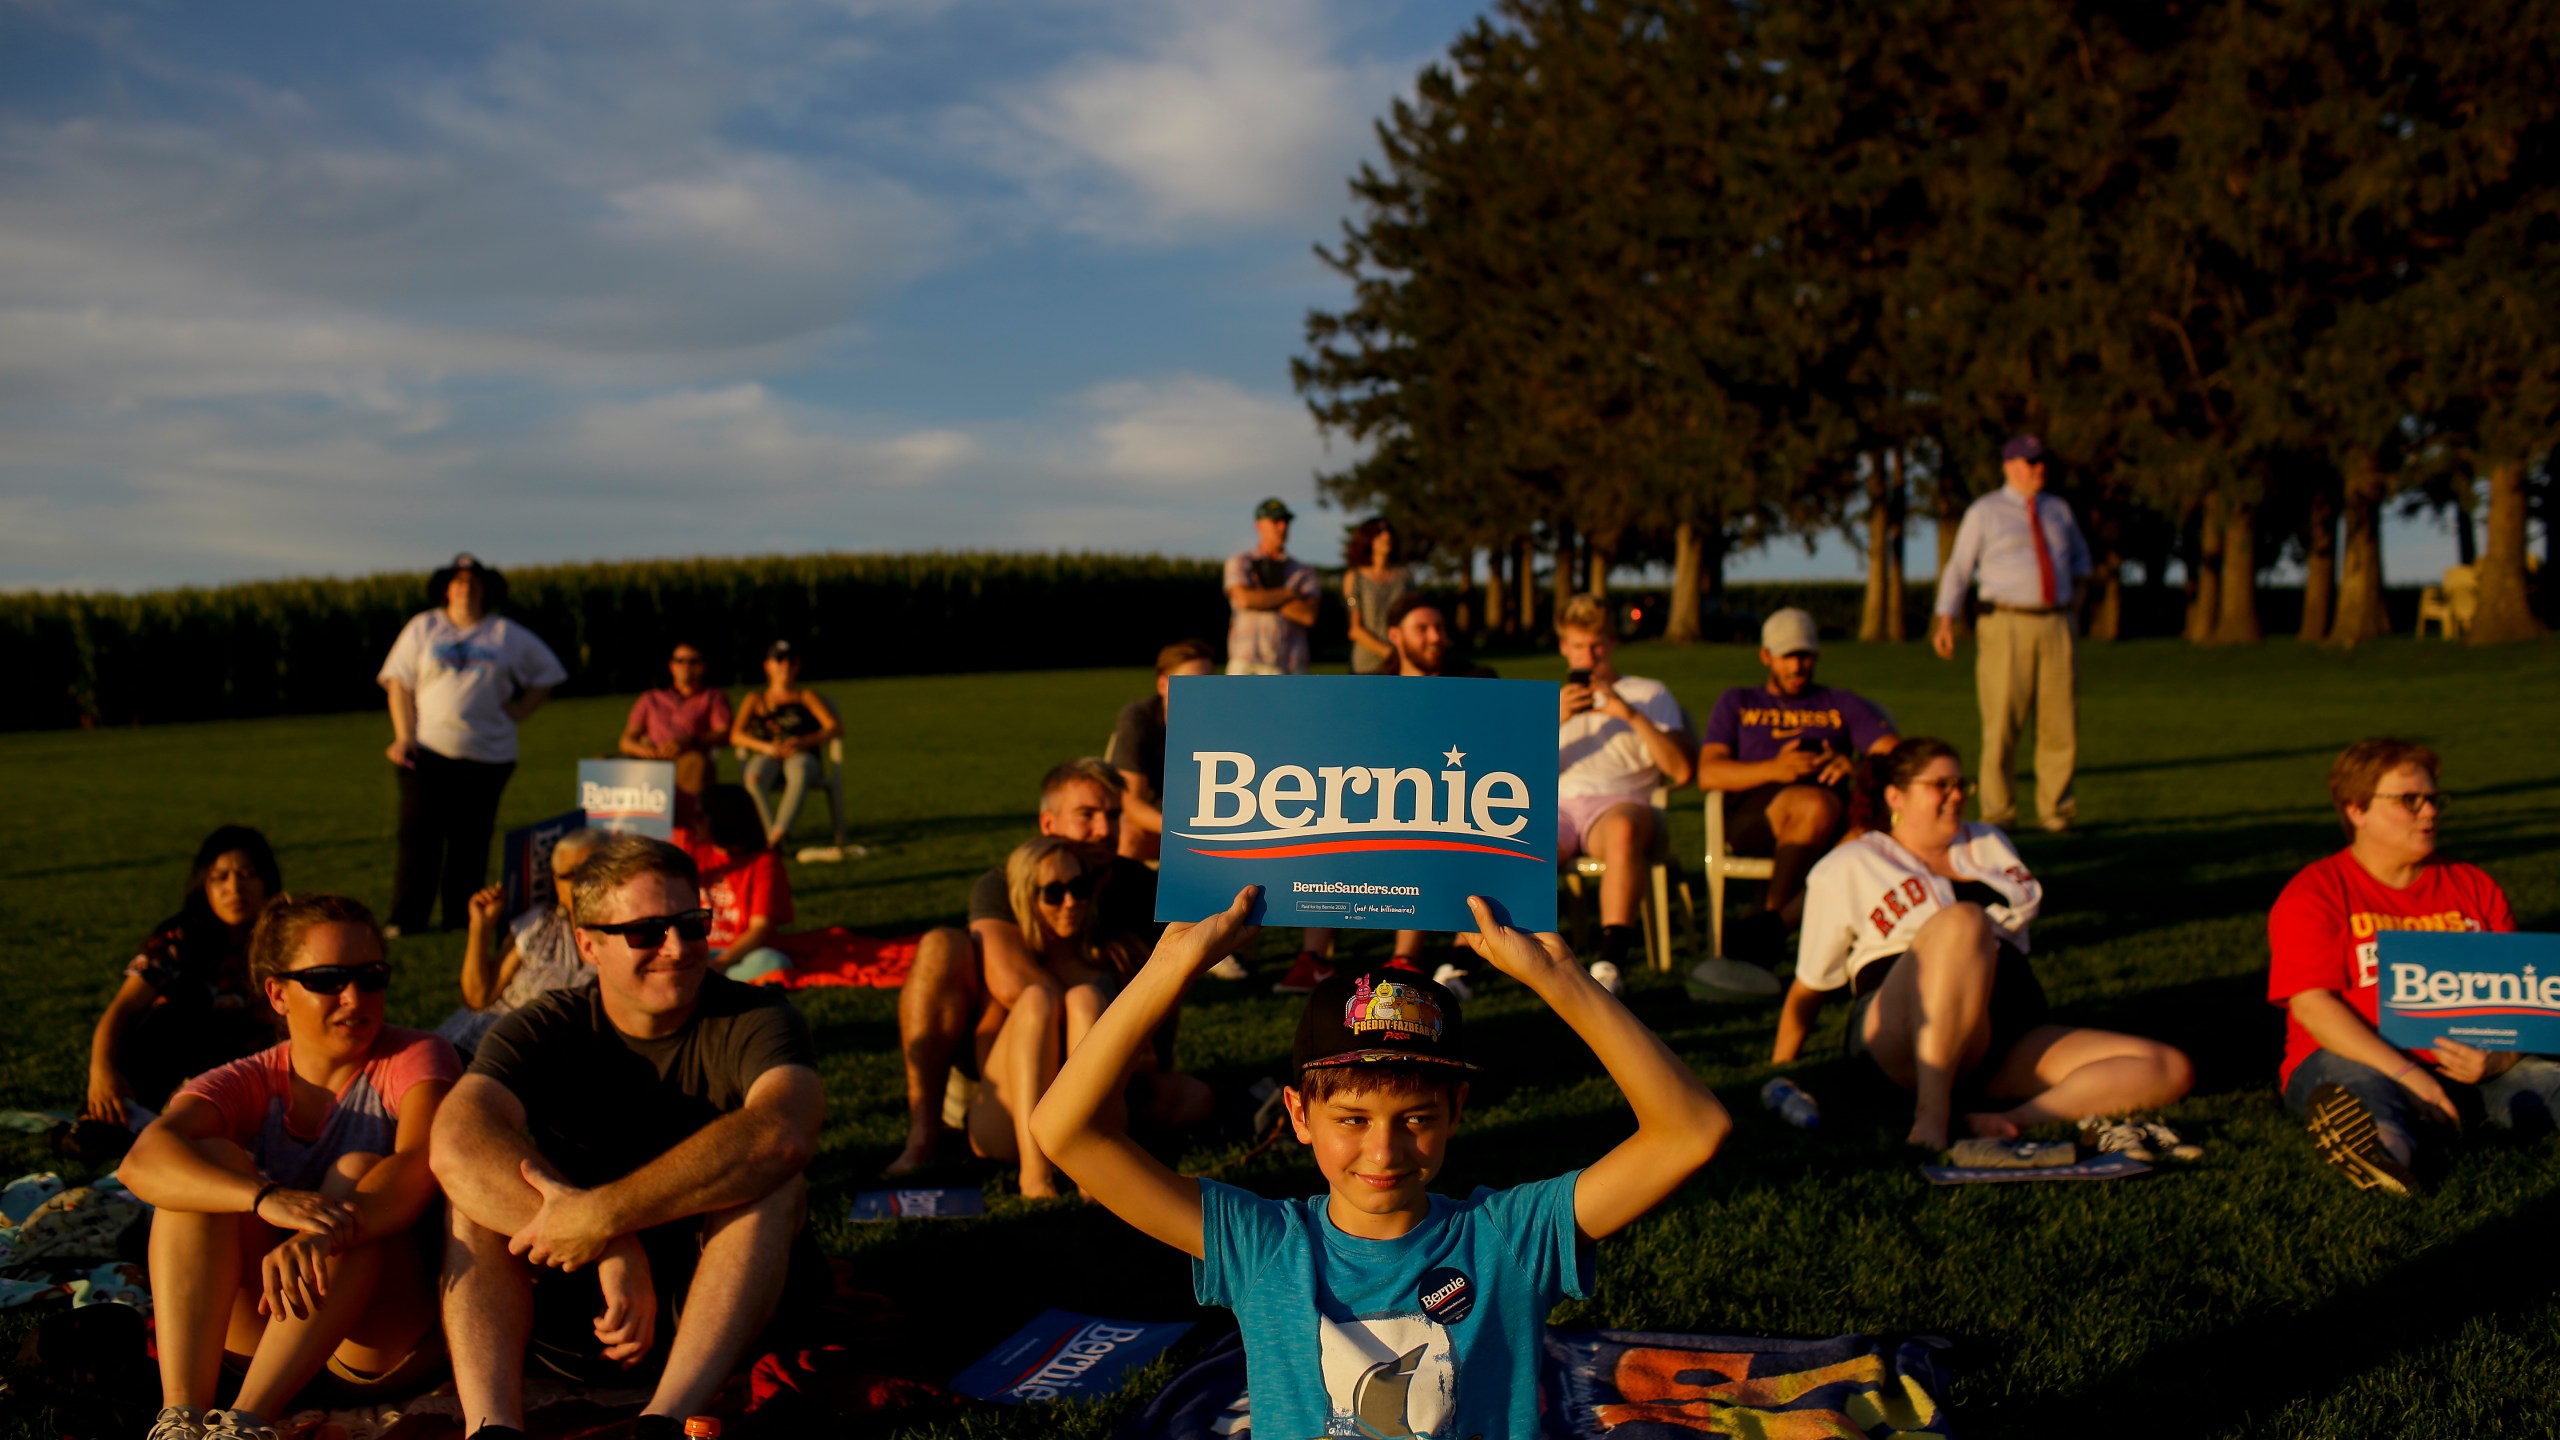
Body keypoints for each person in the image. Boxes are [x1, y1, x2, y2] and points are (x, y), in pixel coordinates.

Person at [1029, 890, 1731, 1440]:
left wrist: (1564, 980)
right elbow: (1066, 1132)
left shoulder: (1509, 1240)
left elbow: (1692, 1131)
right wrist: (1167, 968)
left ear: (1457, 1111)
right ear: (1299, 1116)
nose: (1384, 1152)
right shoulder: (1263, 1246)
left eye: (1416, 1120)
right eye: (1352, 1120)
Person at [432, 834, 825, 1440]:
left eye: (692, 924)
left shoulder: (757, 1018)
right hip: (580, 1301)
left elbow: (783, 1133)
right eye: (646, 932)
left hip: (720, 1308)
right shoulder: (544, 1024)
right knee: (471, 1195)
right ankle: (493, 1428)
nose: (678, 947)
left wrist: (606, 1214)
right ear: (588, 943)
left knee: (775, 1186)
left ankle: (662, 1423)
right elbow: (456, 1140)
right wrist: (612, 1244)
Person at [124, 894, 458, 1440]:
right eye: (328, 979)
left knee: (356, 1170)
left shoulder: (417, 1055)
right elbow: (142, 1162)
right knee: (207, 1166)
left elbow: (421, 1162)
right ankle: (182, 1419)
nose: (355, 997)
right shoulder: (248, 1078)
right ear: (277, 993)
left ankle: (247, 1423)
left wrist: (323, 1232)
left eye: (372, 976)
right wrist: (262, 1198)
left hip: (376, 1344)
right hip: (264, 1329)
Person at [1775, 737, 2191, 1150]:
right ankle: (1930, 1120)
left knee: (2167, 1068)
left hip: (1999, 1034)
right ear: (1895, 796)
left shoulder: (1987, 842)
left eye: (1961, 784)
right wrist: (1779, 1067)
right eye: (1940, 785)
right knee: (1964, 920)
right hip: (1897, 1034)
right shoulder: (1850, 864)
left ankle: (2005, 1120)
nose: (1956, 795)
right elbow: (1809, 984)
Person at [887, 759, 1203, 1179]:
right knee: (944, 948)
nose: (1104, 830)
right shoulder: (1005, 884)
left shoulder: (1139, 889)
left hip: (1101, 1069)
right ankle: (926, 1132)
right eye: (1086, 816)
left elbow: (1164, 990)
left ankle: (1094, 1145)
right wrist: (1095, 1000)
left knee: (1195, 1098)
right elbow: (1013, 984)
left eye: (1112, 815)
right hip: (1005, 1072)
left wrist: (1151, 1058)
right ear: (1049, 823)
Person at [2268, 739, 2557, 1196]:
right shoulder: (2316, 892)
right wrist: (2408, 1075)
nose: (2429, 812)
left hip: (2469, 1064)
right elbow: (2313, 1008)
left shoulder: (2474, 886)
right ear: (2356, 809)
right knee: (2359, 1091)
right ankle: (2388, 1158)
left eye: (2433, 799)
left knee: (2543, 1084)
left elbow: (2520, 997)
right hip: (2354, 1058)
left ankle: (2421, 1128)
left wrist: (2501, 1058)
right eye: (2409, 800)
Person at [963, 836, 1210, 1198]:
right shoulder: (1015, 967)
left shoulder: (1114, 958)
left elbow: (1151, 1059)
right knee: (1036, 999)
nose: (1070, 903)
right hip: (1011, 1123)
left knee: (1084, 998)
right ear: (1024, 897)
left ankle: (1087, 1174)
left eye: (1080, 888)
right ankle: (1035, 1176)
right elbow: (986, 1062)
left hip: (1094, 1119)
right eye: (1053, 893)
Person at [1696, 608, 1900, 971]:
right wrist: (1775, 768)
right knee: (1813, 805)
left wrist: (1853, 766)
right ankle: (1773, 929)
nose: (1797, 667)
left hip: (1835, 819)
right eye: (1787, 657)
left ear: (1817, 655)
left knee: (1874, 833)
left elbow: (1898, 755)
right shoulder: (1739, 702)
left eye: (1804, 656)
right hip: (1757, 815)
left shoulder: (1839, 703)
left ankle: (1771, 927)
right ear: (1766, 657)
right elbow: (1708, 773)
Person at [380, 553, 567, 935]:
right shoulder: (424, 627)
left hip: (488, 754)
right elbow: (399, 682)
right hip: (428, 750)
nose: (466, 589)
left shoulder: (504, 634)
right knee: (420, 838)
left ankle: (462, 916)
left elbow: (549, 672)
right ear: (446, 589)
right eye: (459, 582)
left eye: (474, 583)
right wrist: (404, 736)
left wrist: (521, 709)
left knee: (472, 840)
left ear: (485, 591)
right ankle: (407, 918)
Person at [1930, 435, 2091, 834]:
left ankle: (2056, 811)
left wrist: (2074, 610)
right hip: (2006, 624)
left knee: (2059, 723)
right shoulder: (1986, 512)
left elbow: (2081, 563)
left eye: (2041, 463)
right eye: (2028, 462)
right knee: (2002, 720)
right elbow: (1959, 568)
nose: (2037, 470)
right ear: (2008, 466)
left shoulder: (2058, 510)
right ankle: (1999, 813)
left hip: (2056, 623)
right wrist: (1945, 618)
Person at [87, 826, 285, 1126]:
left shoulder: (286, 941)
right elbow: (122, 1010)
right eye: (220, 877)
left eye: (247, 875)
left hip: (262, 1072)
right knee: (166, 1018)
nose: (234, 888)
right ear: (203, 885)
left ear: (266, 882)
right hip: (184, 1064)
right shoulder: (179, 939)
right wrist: (101, 1072)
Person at [1556, 593, 1695, 974]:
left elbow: (1681, 771)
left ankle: (1610, 959)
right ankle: (1467, 960)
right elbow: (1516, 773)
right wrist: (1557, 719)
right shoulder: (1552, 701)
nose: (1590, 656)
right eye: (1580, 646)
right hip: (1561, 806)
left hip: (1622, 804)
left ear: (1613, 643)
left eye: (1598, 645)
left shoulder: (1648, 693)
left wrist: (1629, 714)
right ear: (1565, 647)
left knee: (1622, 829)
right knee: (1511, 838)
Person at [438, 830, 602, 1054]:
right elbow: (478, 997)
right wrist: (481, 928)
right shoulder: (540, 922)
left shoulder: (626, 934)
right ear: (555, 883)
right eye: (570, 874)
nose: (581, 882)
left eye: (592, 870)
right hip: (478, 1038)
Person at [1110, 639, 1219, 863]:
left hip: (1208, 818)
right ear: (1162, 685)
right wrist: (1178, 832)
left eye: (1209, 684)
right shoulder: (1139, 719)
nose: (1202, 693)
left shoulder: (1222, 720)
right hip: (1156, 819)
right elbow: (1132, 804)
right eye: (1190, 684)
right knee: (1129, 836)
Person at [730, 640, 842, 851]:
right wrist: (765, 747)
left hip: (801, 755)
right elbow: (736, 735)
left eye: (791, 660)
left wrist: (804, 741)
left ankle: (777, 835)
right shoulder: (755, 699)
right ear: (768, 665)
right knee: (754, 777)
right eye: (779, 660)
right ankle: (769, 835)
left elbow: (834, 727)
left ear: (797, 666)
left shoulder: (806, 696)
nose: (785, 665)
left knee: (799, 771)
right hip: (769, 754)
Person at [678, 785, 795, 984]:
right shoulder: (691, 848)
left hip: (739, 952)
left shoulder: (763, 862)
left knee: (773, 962)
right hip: (695, 948)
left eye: (700, 816)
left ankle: (702, 981)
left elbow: (760, 928)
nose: (693, 822)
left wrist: (721, 964)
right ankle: (706, 981)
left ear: (721, 819)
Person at [618, 642, 733, 796]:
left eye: (693, 661)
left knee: (695, 763)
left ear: (702, 666)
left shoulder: (712, 697)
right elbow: (626, 740)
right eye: (680, 661)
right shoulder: (651, 698)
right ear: (671, 666)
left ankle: (686, 817)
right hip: (651, 759)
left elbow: (724, 733)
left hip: (687, 758)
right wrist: (643, 751)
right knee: (602, 763)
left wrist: (690, 742)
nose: (686, 666)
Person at [1223, 498, 1320, 676]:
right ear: (1258, 525)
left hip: (1290, 665)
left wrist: (1261, 596)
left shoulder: (1304, 571)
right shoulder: (1240, 561)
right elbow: (1244, 599)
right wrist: (1289, 594)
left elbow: (1308, 615)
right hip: (1247, 663)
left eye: (1286, 522)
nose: (1282, 527)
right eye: (1276, 521)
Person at [1341, 517, 1412, 675]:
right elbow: (1355, 630)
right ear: (1367, 539)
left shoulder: (1405, 577)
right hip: (1365, 666)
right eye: (1379, 533)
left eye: (1389, 532)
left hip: (1400, 666)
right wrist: (1391, 654)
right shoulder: (1355, 578)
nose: (1386, 536)